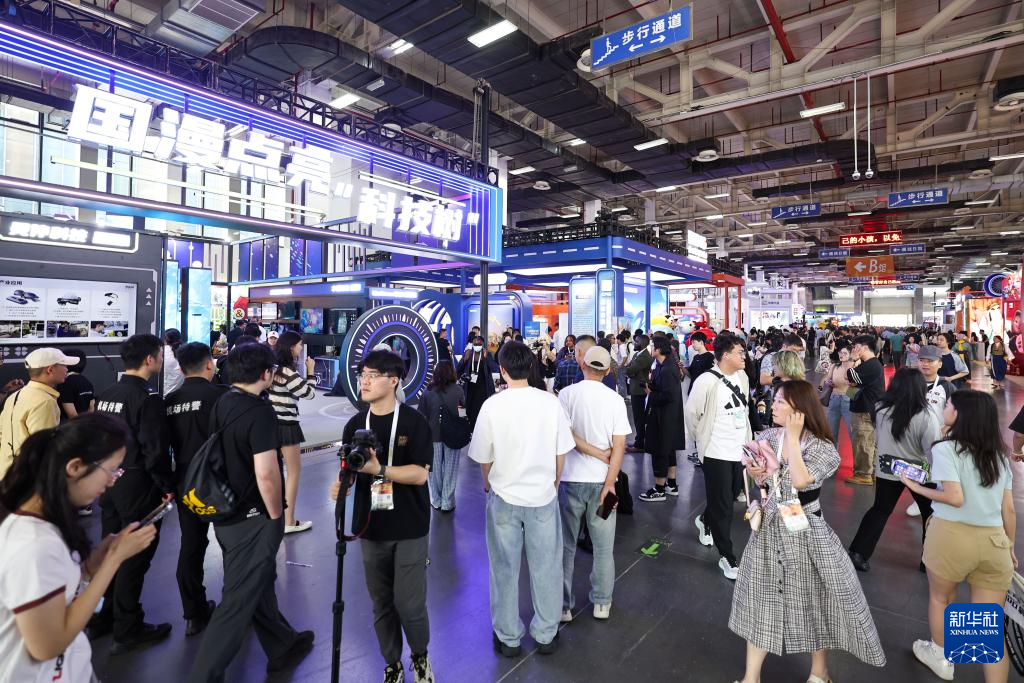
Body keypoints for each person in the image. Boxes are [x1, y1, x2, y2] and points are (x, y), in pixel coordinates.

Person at [729, 380, 886, 683]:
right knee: (760, 601)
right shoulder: (767, 436)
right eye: (774, 400)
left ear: (799, 410)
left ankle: (819, 672)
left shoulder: (823, 448)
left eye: (779, 402)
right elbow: (757, 478)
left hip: (805, 529)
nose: (772, 406)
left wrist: (792, 437)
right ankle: (751, 678)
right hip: (769, 528)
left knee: (814, 601)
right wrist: (754, 472)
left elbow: (801, 481)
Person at [0, 414, 158, 683]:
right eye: (111, 470)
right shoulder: (35, 544)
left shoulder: (48, 523)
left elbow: (56, 592)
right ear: (75, 467)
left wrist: (90, 568)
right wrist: (113, 560)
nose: (112, 481)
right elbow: (48, 646)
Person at [189, 343, 314, 682]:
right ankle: (204, 675)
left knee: (259, 579)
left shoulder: (224, 401)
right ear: (266, 373)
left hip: (226, 514)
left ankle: (282, 644)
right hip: (253, 517)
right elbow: (267, 473)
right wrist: (276, 516)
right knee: (237, 600)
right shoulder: (260, 412)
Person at [330, 349, 434, 683]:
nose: (364, 381)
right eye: (363, 375)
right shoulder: (355, 425)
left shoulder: (414, 422)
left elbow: (420, 475)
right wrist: (342, 484)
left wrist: (380, 470)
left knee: (409, 603)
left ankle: (420, 657)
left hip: (410, 526)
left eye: (372, 376)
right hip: (369, 526)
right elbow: (349, 468)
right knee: (381, 604)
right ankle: (392, 664)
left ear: (393, 381)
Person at [468, 342, 574, 658]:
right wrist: (555, 481)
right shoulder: (550, 403)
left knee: (503, 568)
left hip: (504, 496)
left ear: (502, 370)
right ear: (530, 367)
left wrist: (488, 482)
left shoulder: (492, 406)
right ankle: (546, 634)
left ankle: (508, 638)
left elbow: (484, 457)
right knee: (547, 567)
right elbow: (561, 452)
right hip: (543, 496)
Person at [904, 390, 1016, 683]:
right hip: (994, 542)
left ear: (959, 414)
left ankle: (942, 657)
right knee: (986, 627)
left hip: (952, 537)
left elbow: (954, 497)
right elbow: (1009, 510)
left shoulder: (946, 449)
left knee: (942, 598)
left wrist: (916, 488)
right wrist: (1010, 546)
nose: (945, 407)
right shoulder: (999, 456)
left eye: (949, 405)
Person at [89, 334, 173, 653]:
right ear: (150, 359)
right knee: (134, 555)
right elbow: (155, 451)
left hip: (109, 481)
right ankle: (128, 627)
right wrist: (167, 486)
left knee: (110, 548)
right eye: (160, 355)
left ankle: (102, 617)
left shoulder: (108, 393)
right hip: (139, 485)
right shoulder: (147, 399)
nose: (161, 359)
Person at [557, 345, 630, 622]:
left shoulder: (566, 395)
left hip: (570, 480)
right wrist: (610, 481)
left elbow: (566, 436)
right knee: (603, 547)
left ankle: (563, 606)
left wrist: (593, 453)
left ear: (582, 365)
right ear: (608, 370)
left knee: (565, 546)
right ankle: (602, 603)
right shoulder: (615, 400)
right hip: (604, 483)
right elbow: (620, 446)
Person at [847, 368, 941, 572]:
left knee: (880, 509)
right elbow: (932, 449)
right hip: (920, 473)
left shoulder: (880, 409)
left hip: (888, 468)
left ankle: (858, 552)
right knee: (930, 513)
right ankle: (928, 561)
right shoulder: (926, 415)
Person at [164, 342, 226, 636]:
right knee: (232, 543)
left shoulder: (169, 401)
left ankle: (193, 613)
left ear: (180, 368)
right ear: (209, 364)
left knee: (191, 545)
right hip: (220, 478)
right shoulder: (221, 396)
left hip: (185, 480)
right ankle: (237, 607)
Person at [686, 334, 752, 580]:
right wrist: (701, 440)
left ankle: (705, 519)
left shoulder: (742, 377)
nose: (744, 357)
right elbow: (692, 414)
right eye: (740, 353)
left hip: (739, 449)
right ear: (725, 355)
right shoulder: (706, 381)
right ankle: (727, 556)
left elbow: (744, 410)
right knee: (723, 506)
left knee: (729, 495)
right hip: (715, 452)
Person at [268, 330, 317, 534]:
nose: (301, 348)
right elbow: (309, 393)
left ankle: (273, 517)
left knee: (273, 473)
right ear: (291, 347)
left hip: (270, 424)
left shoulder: (271, 369)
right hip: (287, 425)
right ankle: (289, 521)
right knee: (294, 472)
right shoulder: (287, 372)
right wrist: (311, 371)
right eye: (299, 345)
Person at [0, 348, 75, 480]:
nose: (67, 369)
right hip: (28, 477)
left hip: (7, 472)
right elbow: (43, 447)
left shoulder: (14, 396)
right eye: (64, 365)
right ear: (50, 369)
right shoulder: (45, 401)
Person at [638, 337, 684, 502]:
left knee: (660, 449)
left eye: (652, 346)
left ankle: (659, 488)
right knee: (668, 448)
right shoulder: (662, 366)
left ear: (658, 349)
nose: (651, 349)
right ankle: (671, 484)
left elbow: (668, 395)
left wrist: (650, 393)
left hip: (664, 416)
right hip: (666, 415)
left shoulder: (667, 369)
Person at [418, 360, 465, 512]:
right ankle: (447, 502)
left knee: (435, 471)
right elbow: (463, 413)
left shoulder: (428, 391)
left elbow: (421, 416)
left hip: (433, 436)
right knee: (451, 470)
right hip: (453, 435)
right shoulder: (458, 390)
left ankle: (436, 500)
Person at [845, 334, 885, 486]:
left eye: (856, 347)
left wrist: (851, 360)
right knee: (868, 441)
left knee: (863, 441)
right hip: (868, 407)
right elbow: (851, 379)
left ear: (865, 347)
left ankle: (863, 474)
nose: (854, 349)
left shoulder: (871, 365)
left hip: (864, 409)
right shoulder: (869, 364)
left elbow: (849, 376)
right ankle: (871, 472)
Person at [457, 336, 496, 429]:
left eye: (479, 344)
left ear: (482, 344)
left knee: (479, 408)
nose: (477, 346)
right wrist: (464, 360)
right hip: (469, 386)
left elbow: (494, 368)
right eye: (475, 344)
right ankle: (471, 429)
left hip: (483, 387)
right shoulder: (468, 353)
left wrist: (486, 358)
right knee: (469, 408)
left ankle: (478, 428)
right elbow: (458, 369)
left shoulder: (486, 354)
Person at [821, 345, 855, 447]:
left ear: (850, 355)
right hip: (834, 399)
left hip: (847, 400)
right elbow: (827, 379)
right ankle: (833, 455)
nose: (842, 355)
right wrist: (828, 382)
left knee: (852, 431)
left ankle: (857, 455)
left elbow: (856, 384)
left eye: (845, 353)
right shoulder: (834, 366)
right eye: (840, 352)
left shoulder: (854, 366)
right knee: (831, 432)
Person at [624, 335, 652, 452]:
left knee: (639, 418)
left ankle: (639, 444)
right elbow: (628, 368)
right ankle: (638, 441)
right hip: (636, 389)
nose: (634, 343)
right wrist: (631, 372)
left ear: (642, 343)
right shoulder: (637, 355)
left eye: (636, 341)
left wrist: (631, 372)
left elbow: (630, 370)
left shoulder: (644, 357)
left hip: (640, 391)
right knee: (637, 418)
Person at [57, 349, 94, 422]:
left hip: (70, 425)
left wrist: (78, 425)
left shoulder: (65, 383)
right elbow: (91, 407)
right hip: (84, 423)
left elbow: (71, 413)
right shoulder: (87, 382)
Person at [162, 328, 184, 396]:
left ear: (165, 339)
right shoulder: (185, 352)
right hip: (180, 395)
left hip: (163, 394)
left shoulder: (161, 352)